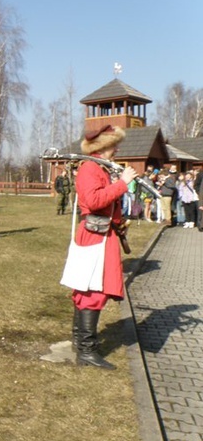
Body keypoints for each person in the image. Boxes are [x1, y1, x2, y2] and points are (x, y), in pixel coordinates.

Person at [71, 124, 137, 370]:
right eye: (113, 144)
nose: (117, 149)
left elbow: (107, 203)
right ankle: (86, 350)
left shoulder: (101, 167)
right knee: (91, 289)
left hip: (102, 233)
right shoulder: (90, 168)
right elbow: (94, 200)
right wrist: (122, 183)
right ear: (103, 146)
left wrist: (118, 223)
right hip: (94, 235)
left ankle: (80, 343)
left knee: (89, 287)